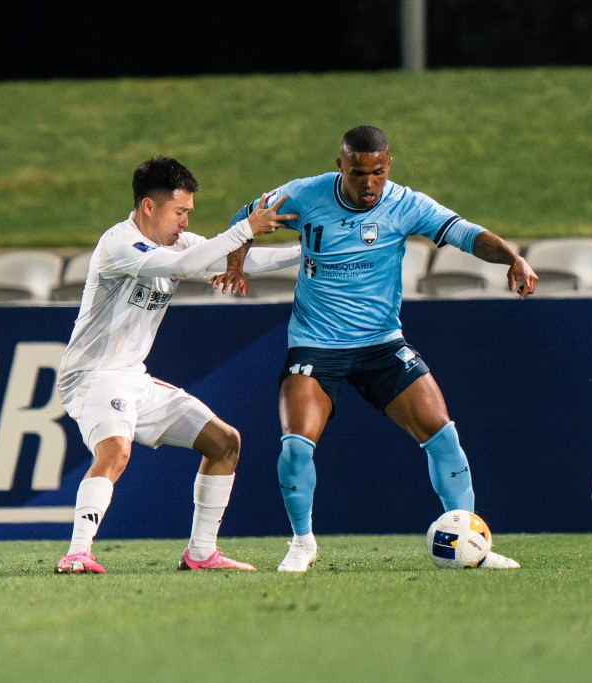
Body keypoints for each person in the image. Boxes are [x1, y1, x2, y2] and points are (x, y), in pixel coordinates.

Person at [217, 125, 538, 572]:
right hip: (316, 343)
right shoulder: (304, 195)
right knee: (295, 446)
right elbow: (244, 218)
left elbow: (466, 234)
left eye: (378, 173)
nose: (369, 184)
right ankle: (302, 543)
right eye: (358, 173)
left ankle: (471, 543)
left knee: (443, 435)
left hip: (381, 345)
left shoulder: (406, 204)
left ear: (389, 166)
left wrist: (514, 257)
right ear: (340, 166)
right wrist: (237, 262)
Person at [54, 155, 299, 574]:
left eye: (188, 213)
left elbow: (234, 263)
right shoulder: (119, 243)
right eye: (180, 212)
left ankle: (201, 553)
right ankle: (77, 553)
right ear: (149, 206)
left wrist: (308, 250)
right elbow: (183, 267)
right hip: (92, 375)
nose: (185, 222)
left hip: (133, 378)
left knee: (224, 443)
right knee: (115, 450)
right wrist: (245, 229)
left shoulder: (177, 243)